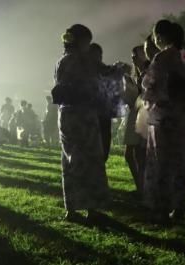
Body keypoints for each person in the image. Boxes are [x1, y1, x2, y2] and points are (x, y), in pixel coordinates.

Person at [142, 20, 185, 222]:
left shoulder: (161, 57)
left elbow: (149, 86)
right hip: (181, 116)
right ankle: (179, 208)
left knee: (161, 163)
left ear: (160, 37)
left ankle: (162, 208)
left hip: (163, 117)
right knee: (179, 163)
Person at [53, 24, 109, 221]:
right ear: (82, 41)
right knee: (89, 160)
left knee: (70, 160)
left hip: (65, 115)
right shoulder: (84, 61)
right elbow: (102, 78)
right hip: (83, 115)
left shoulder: (61, 61)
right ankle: (91, 207)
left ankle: (72, 208)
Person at [122, 45, 148, 195]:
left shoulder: (147, 74)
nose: (133, 58)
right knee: (132, 155)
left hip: (141, 116)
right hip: (134, 115)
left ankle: (142, 188)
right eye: (132, 56)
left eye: (135, 55)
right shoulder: (137, 76)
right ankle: (141, 186)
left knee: (138, 154)